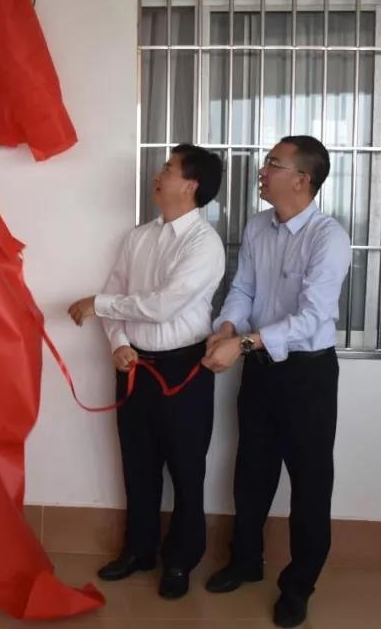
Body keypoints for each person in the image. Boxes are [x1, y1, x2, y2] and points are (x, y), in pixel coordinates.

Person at [201, 135, 351, 629]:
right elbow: (244, 288)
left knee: (310, 484)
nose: (262, 171)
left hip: (308, 374)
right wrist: (227, 325)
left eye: (273, 164)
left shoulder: (328, 238)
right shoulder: (258, 226)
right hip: (261, 369)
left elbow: (312, 318)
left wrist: (243, 343)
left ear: (302, 180)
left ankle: (299, 586)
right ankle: (245, 561)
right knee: (252, 471)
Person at [68, 143, 225, 600]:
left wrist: (98, 305)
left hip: (184, 368)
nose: (160, 174)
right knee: (137, 464)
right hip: (134, 366)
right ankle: (139, 550)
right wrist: (118, 342)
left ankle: (180, 560)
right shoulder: (138, 237)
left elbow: (162, 306)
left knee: (186, 470)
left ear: (191, 185)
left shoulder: (204, 244)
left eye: (169, 169)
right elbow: (116, 293)